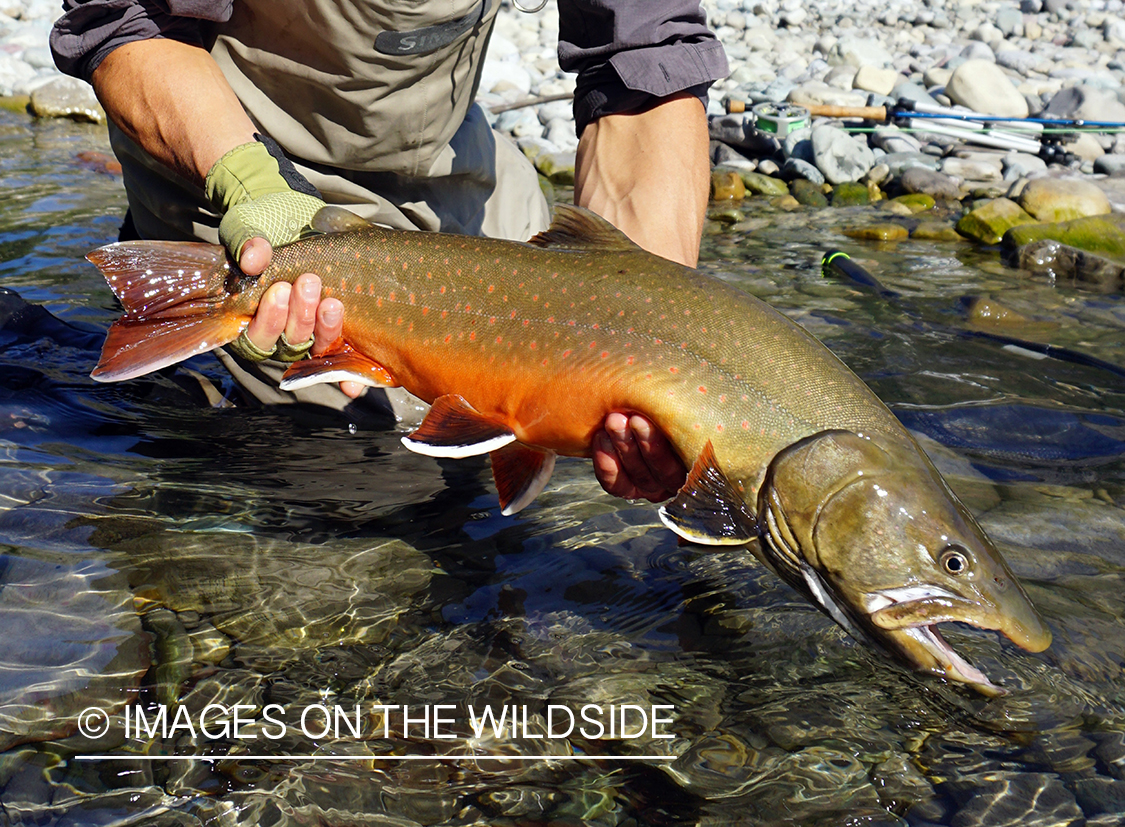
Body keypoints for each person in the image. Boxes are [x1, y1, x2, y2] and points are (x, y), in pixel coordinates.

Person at [50, 0, 728, 503]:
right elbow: (125, 25)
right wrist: (249, 188)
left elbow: (644, 67)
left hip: (444, 162)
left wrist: (642, 343)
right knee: (363, 482)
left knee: (552, 450)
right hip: (237, 150)